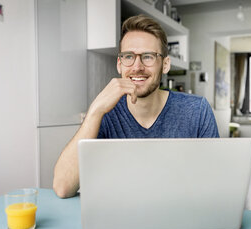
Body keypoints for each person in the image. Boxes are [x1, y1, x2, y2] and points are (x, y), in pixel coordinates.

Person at [53, 15, 219, 198]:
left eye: (148, 57)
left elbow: (215, 184)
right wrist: (95, 110)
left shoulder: (197, 111)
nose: (137, 66)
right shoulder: (105, 115)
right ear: (119, 64)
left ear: (165, 65)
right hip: (120, 218)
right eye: (128, 57)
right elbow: (63, 187)